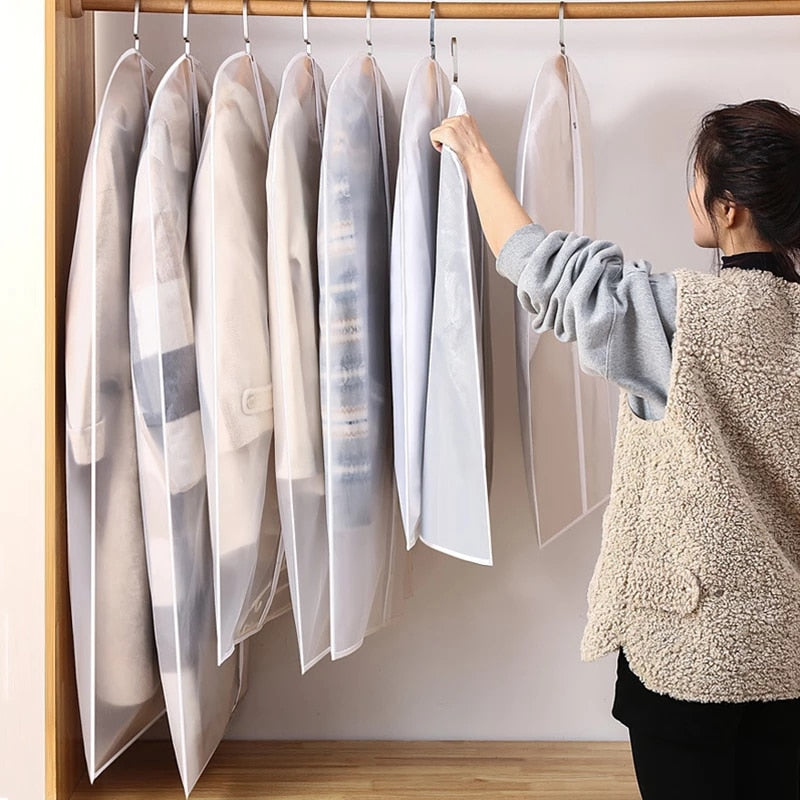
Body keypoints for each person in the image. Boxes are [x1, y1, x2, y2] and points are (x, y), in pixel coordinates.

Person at [429, 98, 800, 800]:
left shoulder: (678, 321)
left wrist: (475, 156)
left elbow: (543, 265)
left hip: (688, 669)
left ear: (728, 209)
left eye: (696, 181)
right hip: (791, 664)